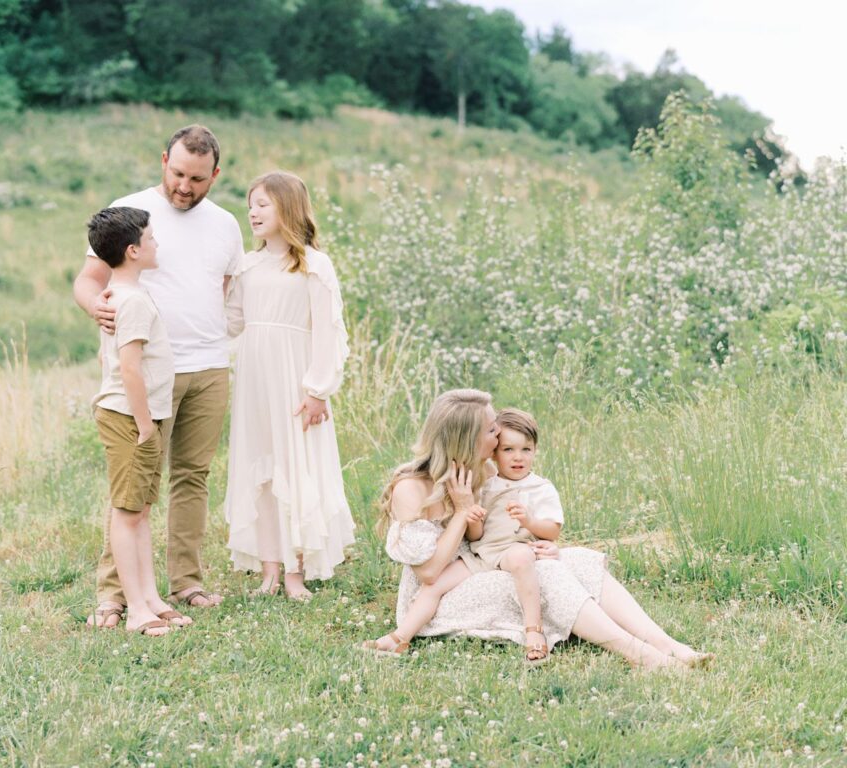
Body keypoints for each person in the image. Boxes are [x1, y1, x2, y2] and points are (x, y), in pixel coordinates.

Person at [362, 389, 714, 670]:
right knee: (546, 575)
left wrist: (547, 546)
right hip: (439, 596)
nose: (498, 432)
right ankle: (639, 654)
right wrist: (462, 511)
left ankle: (670, 646)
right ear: (466, 438)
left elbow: (505, 532)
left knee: (573, 560)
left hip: (489, 563)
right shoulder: (413, 488)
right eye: (490, 429)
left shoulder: (485, 471)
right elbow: (428, 573)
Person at [74, 125, 242, 626]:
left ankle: (185, 582)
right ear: (164, 159)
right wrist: (96, 310)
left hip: (208, 365)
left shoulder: (226, 225)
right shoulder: (131, 213)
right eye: (177, 173)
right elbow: (88, 281)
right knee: (133, 486)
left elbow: (225, 289)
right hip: (145, 375)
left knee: (193, 476)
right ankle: (114, 593)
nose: (184, 187)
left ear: (214, 174)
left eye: (197, 178)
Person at [224, 171, 356, 600]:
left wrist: (318, 388)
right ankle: (269, 570)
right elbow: (233, 323)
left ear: (288, 207)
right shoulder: (247, 264)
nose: (253, 212)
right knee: (259, 466)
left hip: (294, 379)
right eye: (250, 204)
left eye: (263, 204)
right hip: (254, 380)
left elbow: (327, 332)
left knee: (296, 466)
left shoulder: (314, 265)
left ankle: (297, 571)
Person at [85, 206, 188, 636]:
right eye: (151, 238)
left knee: (142, 511)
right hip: (130, 418)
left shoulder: (126, 297)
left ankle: (150, 598)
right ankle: (136, 612)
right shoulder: (129, 301)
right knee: (127, 514)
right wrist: (146, 425)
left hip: (144, 418)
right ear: (133, 251)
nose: (157, 244)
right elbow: (129, 368)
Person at [466, 407, 563, 665]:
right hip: (485, 552)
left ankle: (534, 630)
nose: (518, 457)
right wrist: (473, 521)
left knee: (521, 557)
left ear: (535, 451)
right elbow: (477, 534)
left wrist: (529, 521)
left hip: (516, 551)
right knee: (437, 584)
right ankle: (402, 634)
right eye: (508, 449)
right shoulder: (487, 485)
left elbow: (553, 530)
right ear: (494, 454)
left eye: (526, 449)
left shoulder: (540, 487)